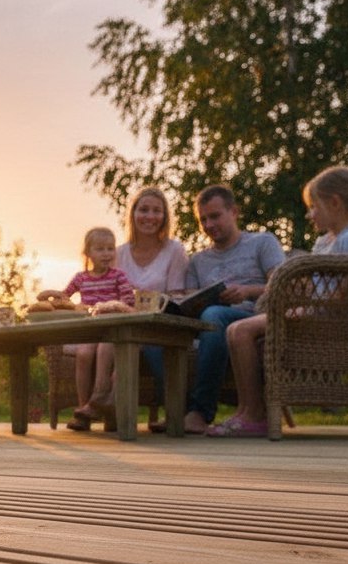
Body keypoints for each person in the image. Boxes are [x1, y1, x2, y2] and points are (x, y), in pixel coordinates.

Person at [207, 166, 348, 437]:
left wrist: (305, 306)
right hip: (320, 313)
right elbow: (318, 283)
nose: (310, 215)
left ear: (334, 203)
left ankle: (255, 415)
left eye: (314, 207)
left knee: (241, 330)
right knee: (234, 330)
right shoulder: (326, 241)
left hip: (337, 321)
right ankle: (245, 410)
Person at [182, 185, 286, 434]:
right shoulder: (197, 261)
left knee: (214, 315)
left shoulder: (262, 242)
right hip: (209, 324)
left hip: (254, 317)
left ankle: (201, 411)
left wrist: (247, 291)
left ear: (234, 212)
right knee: (199, 320)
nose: (208, 224)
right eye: (203, 219)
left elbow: (284, 288)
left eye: (215, 216)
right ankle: (179, 411)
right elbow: (188, 300)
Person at [36, 226, 135, 430]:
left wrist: (115, 307)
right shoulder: (81, 278)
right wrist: (54, 296)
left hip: (110, 330)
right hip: (89, 330)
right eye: (100, 249)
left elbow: (129, 302)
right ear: (88, 253)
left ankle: (98, 401)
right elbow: (65, 299)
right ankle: (84, 409)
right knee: (83, 354)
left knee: (103, 350)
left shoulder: (118, 276)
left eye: (110, 248)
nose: (106, 254)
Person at [116, 186, 189, 432]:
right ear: (133, 214)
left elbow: (177, 296)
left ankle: (176, 411)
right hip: (122, 321)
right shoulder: (119, 253)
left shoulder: (174, 250)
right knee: (107, 343)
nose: (149, 216)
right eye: (143, 210)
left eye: (156, 211)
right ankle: (103, 404)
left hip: (159, 323)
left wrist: (146, 302)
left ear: (165, 217)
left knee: (151, 345)